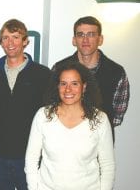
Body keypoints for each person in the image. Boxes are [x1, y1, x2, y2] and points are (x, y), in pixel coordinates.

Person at [25, 62, 115, 190]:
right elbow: (31, 160)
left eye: (74, 83)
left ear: (84, 87)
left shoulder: (100, 119)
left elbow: (108, 165)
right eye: (63, 84)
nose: (68, 89)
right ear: (58, 86)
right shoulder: (43, 116)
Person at [0, 19, 52, 190]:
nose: (10, 43)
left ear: (25, 41)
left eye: (15, 37)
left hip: (30, 156)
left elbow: (50, 115)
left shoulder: (42, 74)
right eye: (5, 38)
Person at [52, 16, 130, 142]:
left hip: (100, 143)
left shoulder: (116, 72)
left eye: (91, 34)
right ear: (74, 40)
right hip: (64, 141)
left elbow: (117, 116)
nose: (85, 40)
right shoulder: (59, 68)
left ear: (100, 39)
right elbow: (52, 105)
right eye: (80, 35)